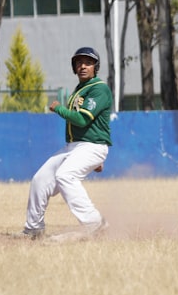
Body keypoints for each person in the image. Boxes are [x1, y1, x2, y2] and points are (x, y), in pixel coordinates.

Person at [17, 46, 113, 240]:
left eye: (88, 62)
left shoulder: (99, 89)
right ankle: (34, 228)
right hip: (76, 147)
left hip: (91, 146)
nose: (83, 66)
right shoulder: (80, 89)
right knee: (40, 180)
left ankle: (95, 223)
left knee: (65, 175)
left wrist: (59, 109)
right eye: (79, 62)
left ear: (96, 66)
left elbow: (83, 120)